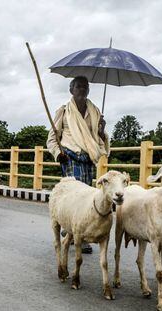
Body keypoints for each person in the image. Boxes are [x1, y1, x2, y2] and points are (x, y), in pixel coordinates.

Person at [47, 76, 110, 254]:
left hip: (88, 157)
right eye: (78, 86)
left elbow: (98, 139)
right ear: (71, 90)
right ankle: (77, 236)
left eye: (85, 87)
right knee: (73, 195)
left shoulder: (95, 111)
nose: (82, 89)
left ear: (88, 90)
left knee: (86, 196)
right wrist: (58, 153)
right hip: (69, 156)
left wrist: (101, 131)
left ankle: (78, 232)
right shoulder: (64, 111)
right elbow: (52, 138)